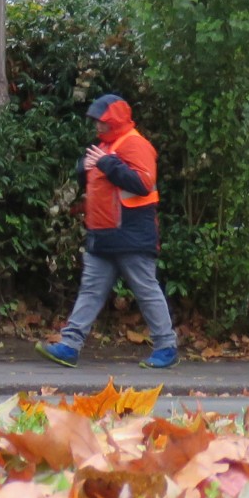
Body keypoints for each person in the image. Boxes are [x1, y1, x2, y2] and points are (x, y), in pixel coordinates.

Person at [35, 94, 179, 370]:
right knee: (91, 291)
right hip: (103, 235)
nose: (97, 127)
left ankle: (166, 346)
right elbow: (91, 180)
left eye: (100, 122)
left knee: (146, 290)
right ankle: (70, 345)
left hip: (131, 235)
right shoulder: (105, 146)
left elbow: (143, 183)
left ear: (113, 120)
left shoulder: (135, 144)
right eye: (95, 122)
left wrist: (105, 164)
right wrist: (85, 167)